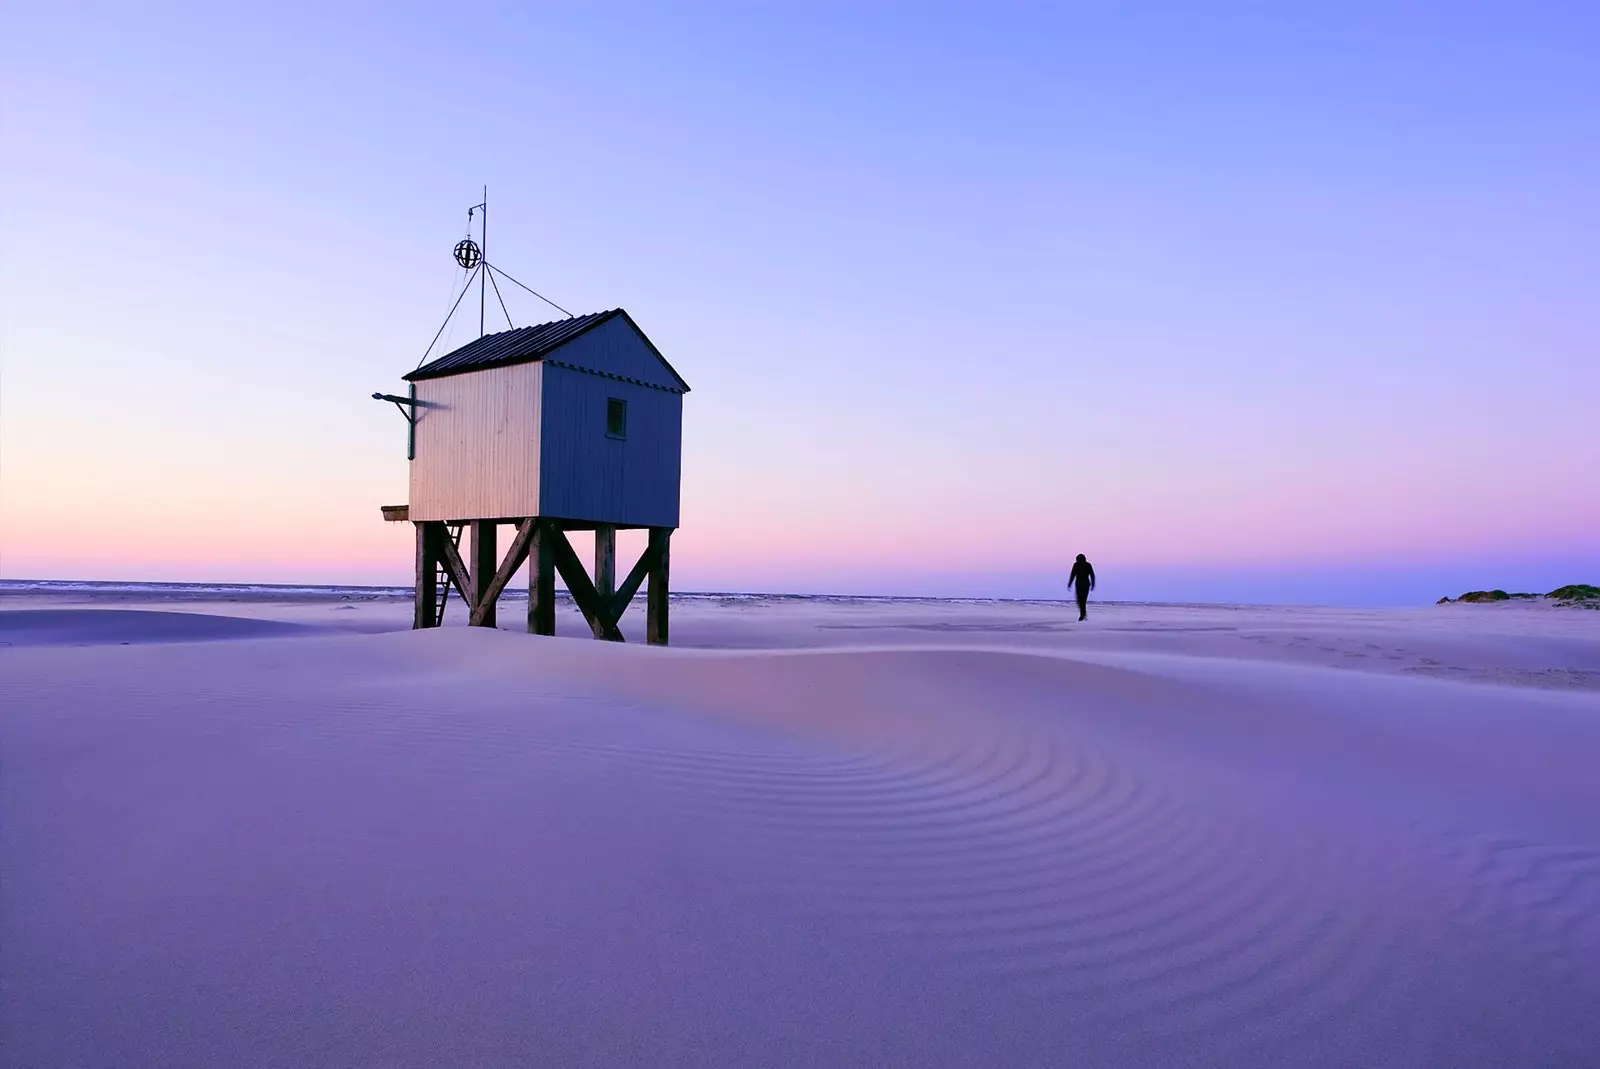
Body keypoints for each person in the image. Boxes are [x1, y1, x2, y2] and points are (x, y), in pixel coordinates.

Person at [1069, 553, 1096, 621]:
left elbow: (1092, 575)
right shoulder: (1076, 565)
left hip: (1085, 585)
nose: (1078, 561)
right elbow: (1073, 574)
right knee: (1080, 600)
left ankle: (1082, 615)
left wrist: (1093, 584)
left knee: (1083, 601)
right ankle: (1083, 614)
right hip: (1078, 585)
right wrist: (1070, 583)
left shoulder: (1088, 565)